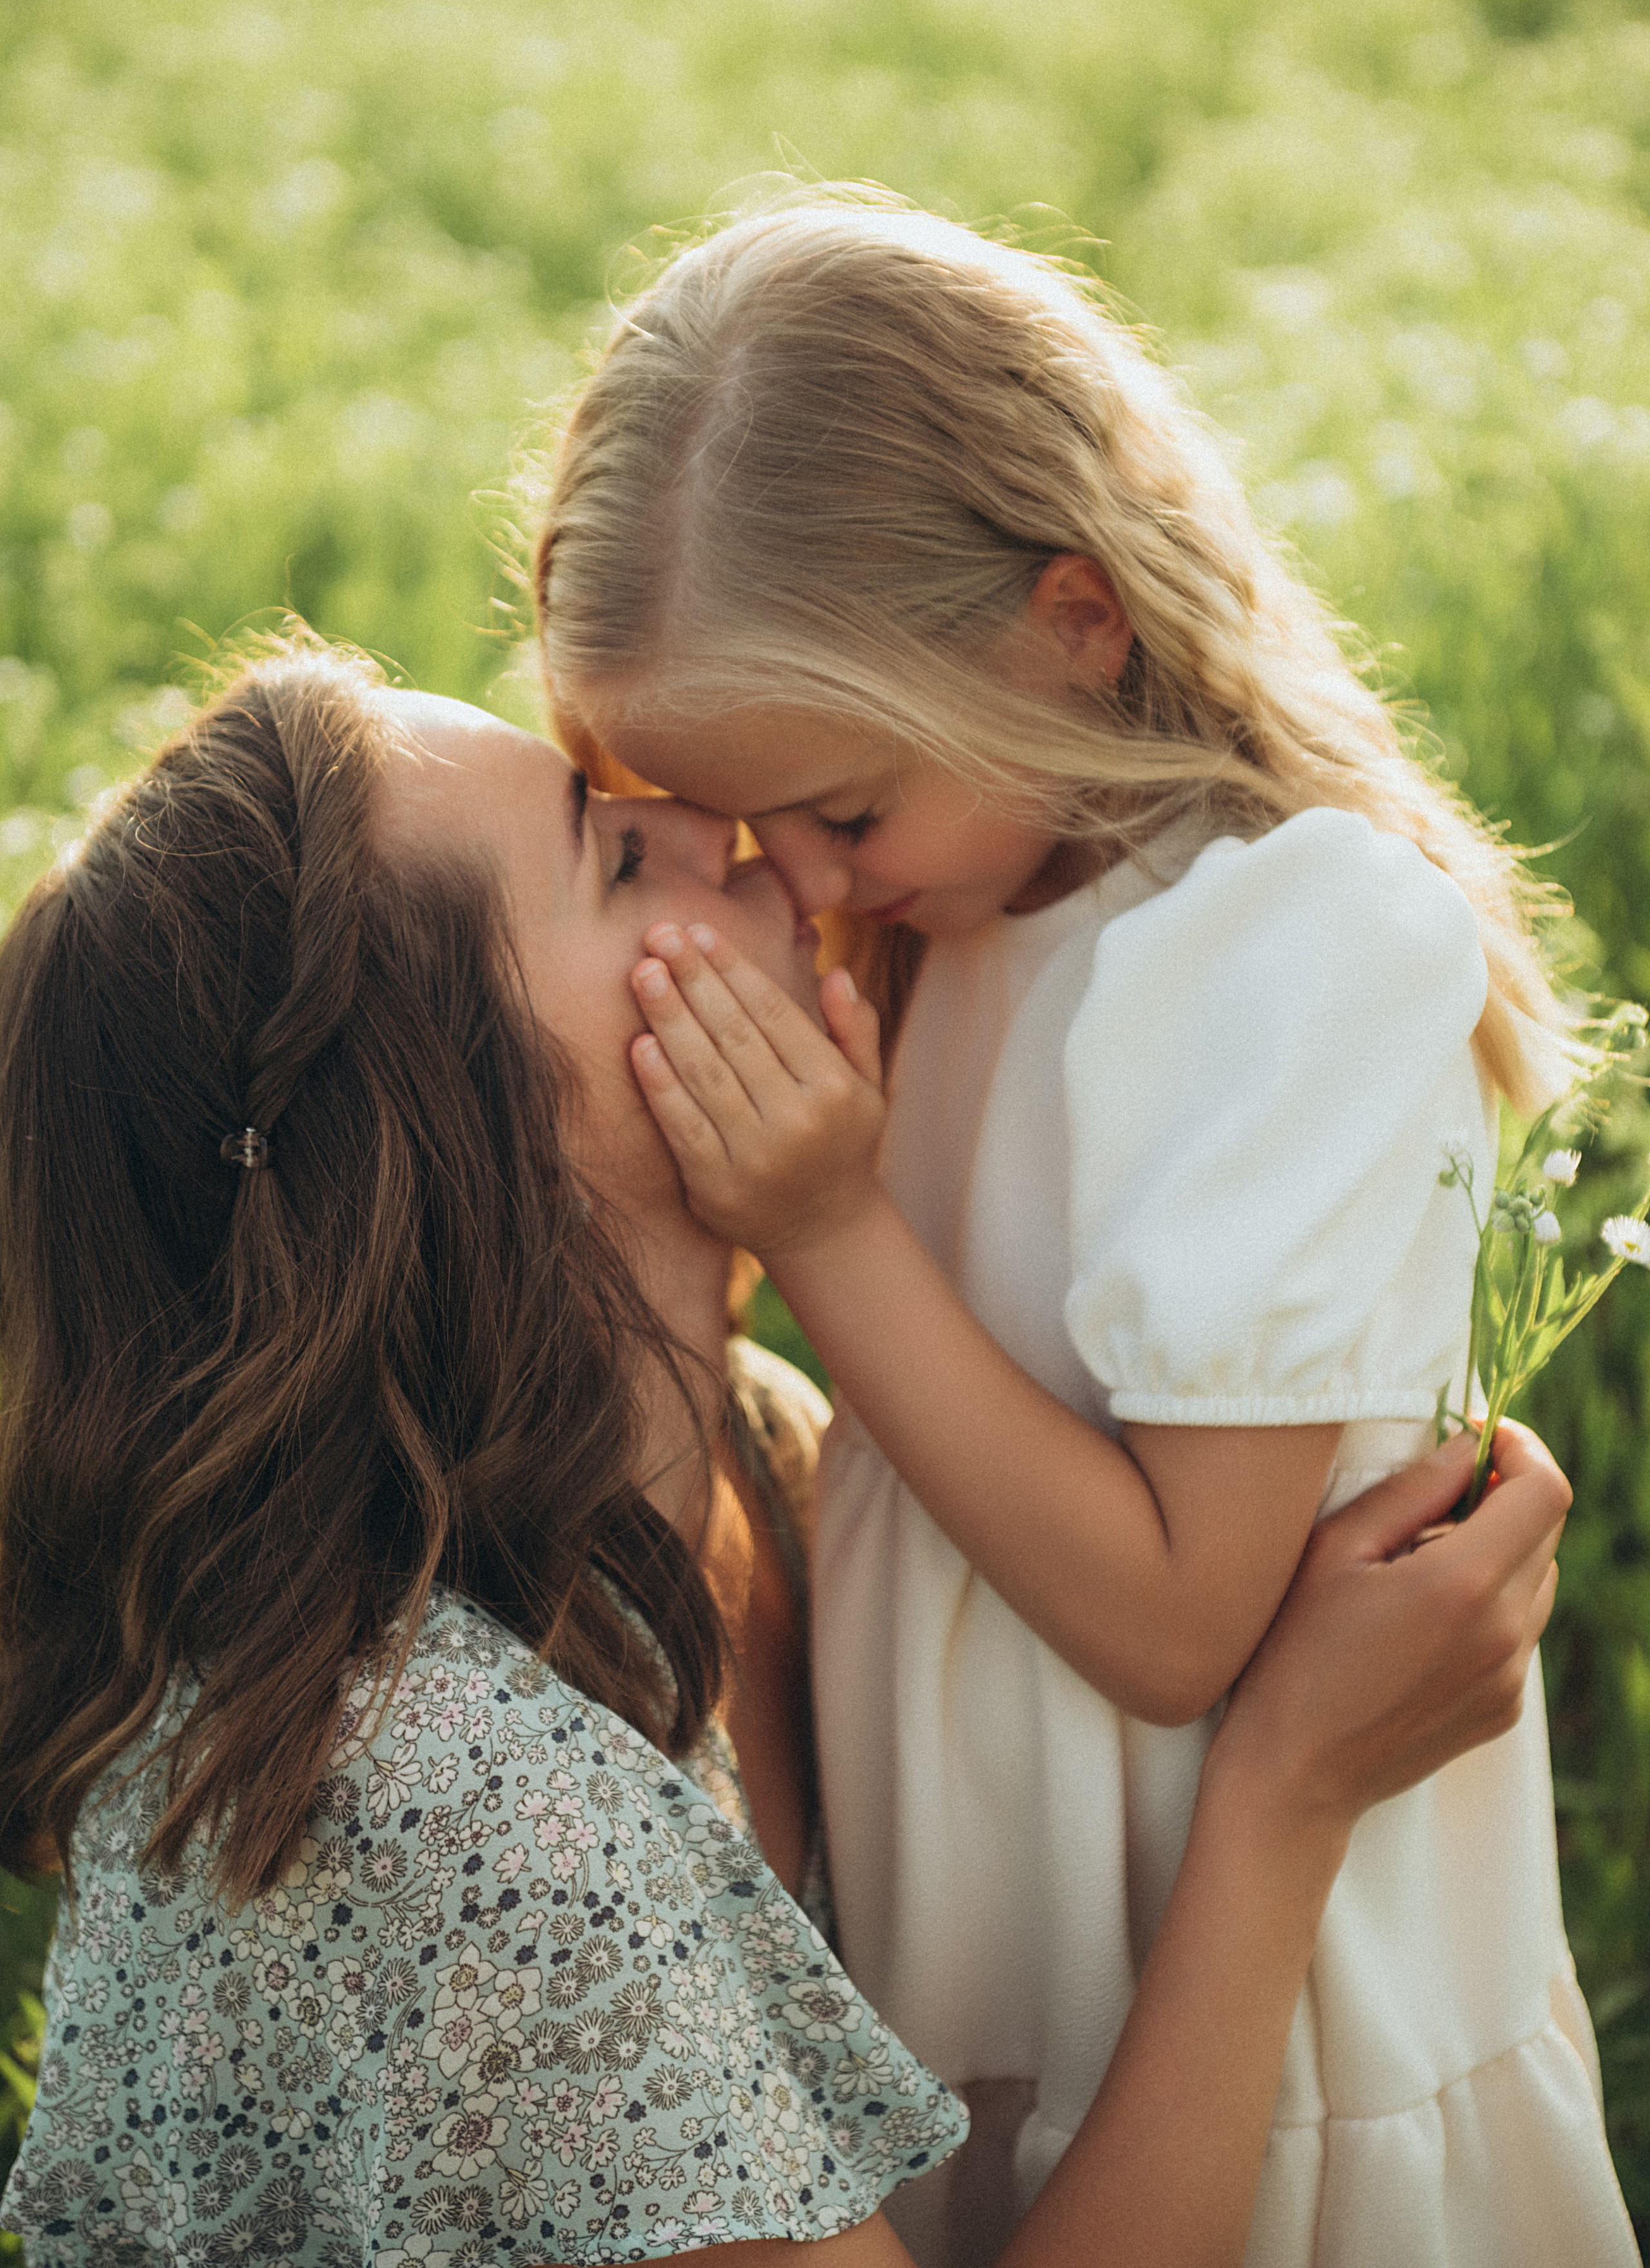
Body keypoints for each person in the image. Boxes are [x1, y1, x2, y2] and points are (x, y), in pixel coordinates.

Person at [0, 642, 1570, 2268]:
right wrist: (1288, 1791)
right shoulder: (439, 1809)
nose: (719, 827)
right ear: (481, 1133)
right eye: (618, 854)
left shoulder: (768, 1458)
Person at [529, 189, 1639, 2267]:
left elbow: (1174, 1622)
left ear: (1074, 620)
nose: (800, 883)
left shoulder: (1287, 949)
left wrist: (825, 1223)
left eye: (842, 811)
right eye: (742, 825)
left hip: (1244, 2002)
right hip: (982, 1930)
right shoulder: (959, 898)